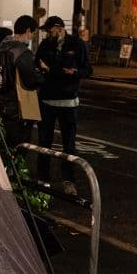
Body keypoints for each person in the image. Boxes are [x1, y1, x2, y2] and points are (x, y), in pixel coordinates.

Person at [35, 15, 92, 194]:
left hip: (68, 101)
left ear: (59, 28)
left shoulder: (77, 44)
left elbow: (88, 70)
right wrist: (49, 71)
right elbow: (39, 65)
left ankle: (69, 180)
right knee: (44, 142)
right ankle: (43, 179)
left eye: (50, 30)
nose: (48, 34)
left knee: (69, 144)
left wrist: (74, 72)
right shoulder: (45, 46)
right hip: (47, 99)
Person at [0, 16, 44, 148]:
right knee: (20, 148)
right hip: (18, 109)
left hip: (1, 106)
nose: (32, 37)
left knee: (5, 148)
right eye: (33, 33)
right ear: (28, 30)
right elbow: (30, 81)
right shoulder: (22, 52)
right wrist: (42, 74)